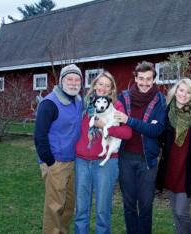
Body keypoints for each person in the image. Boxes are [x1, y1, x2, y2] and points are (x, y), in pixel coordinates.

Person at [74, 71, 132, 234]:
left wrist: (104, 126)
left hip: (106, 164)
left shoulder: (116, 106)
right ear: (94, 85)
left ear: (111, 89)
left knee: (102, 210)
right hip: (82, 161)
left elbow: (127, 133)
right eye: (100, 84)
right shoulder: (84, 103)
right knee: (81, 209)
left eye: (107, 85)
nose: (103, 88)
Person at [114, 61, 167, 234]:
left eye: (149, 79)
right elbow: (116, 123)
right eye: (141, 78)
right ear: (135, 78)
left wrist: (129, 120)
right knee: (129, 204)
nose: (145, 83)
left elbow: (156, 130)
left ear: (154, 80)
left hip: (147, 160)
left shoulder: (159, 100)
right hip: (126, 158)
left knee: (145, 205)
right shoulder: (124, 97)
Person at [34, 64, 83, 234]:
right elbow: (39, 136)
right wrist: (50, 162)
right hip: (56, 163)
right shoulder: (49, 103)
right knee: (54, 208)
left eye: (77, 79)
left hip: (72, 161)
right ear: (61, 81)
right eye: (69, 79)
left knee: (68, 207)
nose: (73, 83)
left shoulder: (78, 100)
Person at [155, 78, 191, 234]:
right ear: (175, 91)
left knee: (181, 212)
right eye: (181, 90)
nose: (184, 95)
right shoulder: (166, 113)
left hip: (188, 170)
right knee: (176, 214)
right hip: (171, 169)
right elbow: (159, 137)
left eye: (188, 92)